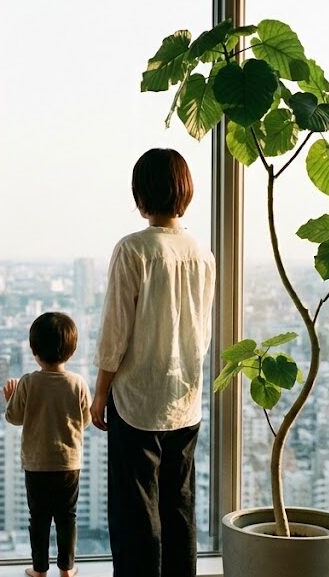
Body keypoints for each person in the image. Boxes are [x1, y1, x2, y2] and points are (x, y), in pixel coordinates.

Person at [90, 148, 216, 577]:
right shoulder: (202, 255)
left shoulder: (133, 250)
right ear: (186, 192)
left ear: (140, 194)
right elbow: (203, 330)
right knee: (179, 506)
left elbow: (115, 332)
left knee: (135, 513)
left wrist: (100, 392)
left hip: (137, 399)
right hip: (186, 398)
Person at [4, 311, 92, 577]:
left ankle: (40, 570)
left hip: (36, 464)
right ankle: (67, 569)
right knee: (67, 518)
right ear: (72, 350)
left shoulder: (29, 383)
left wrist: (10, 397)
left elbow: (14, 417)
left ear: (34, 350)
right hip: (69, 464)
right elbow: (85, 420)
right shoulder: (77, 383)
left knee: (39, 519)